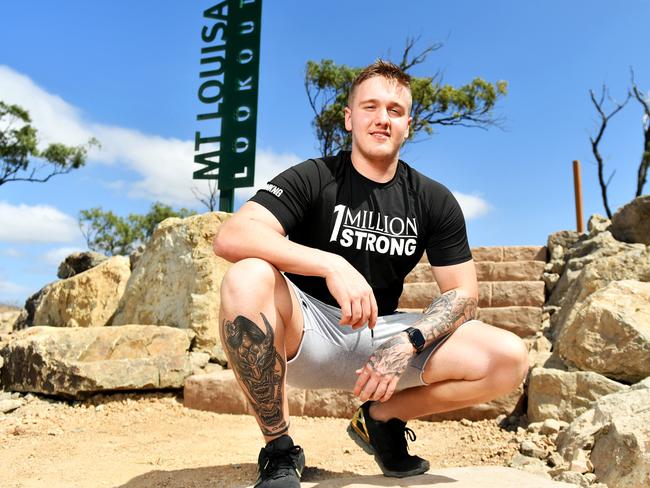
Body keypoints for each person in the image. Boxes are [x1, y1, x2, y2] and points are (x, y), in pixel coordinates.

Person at [213, 60, 529, 488]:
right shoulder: (314, 176)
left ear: (408, 125)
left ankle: (382, 418)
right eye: (370, 107)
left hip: (384, 336)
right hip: (306, 333)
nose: (382, 119)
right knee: (246, 276)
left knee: (508, 358)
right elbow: (232, 237)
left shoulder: (433, 199)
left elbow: (464, 295)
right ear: (349, 118)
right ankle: (280, 450)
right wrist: (330, 263)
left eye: (395, 111)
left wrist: (410, 340)